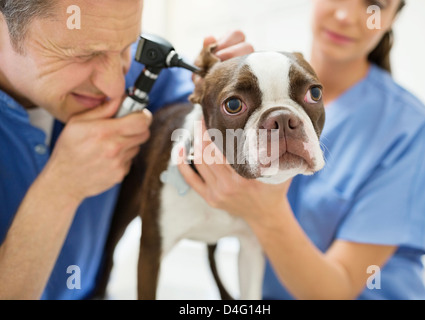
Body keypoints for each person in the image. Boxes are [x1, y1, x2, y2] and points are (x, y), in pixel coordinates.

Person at [179, 0, 425, 299]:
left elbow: (338, 290)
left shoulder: (411, 129)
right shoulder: (252, 75)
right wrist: (216, 83)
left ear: (392, 18)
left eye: (375, 5)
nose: (345, 15)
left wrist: (265, 212)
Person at [0, 0, 253, 299]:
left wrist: (233, 92)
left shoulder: (136, 67)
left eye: (126, 49)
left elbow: (195, 103)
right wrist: (59, 192)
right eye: (84, 55)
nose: (114, 86)